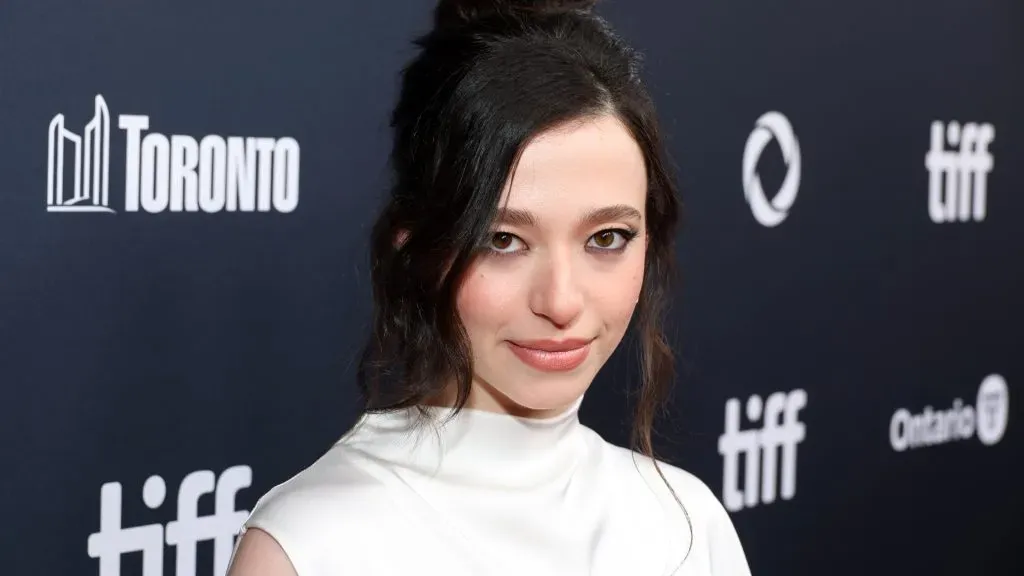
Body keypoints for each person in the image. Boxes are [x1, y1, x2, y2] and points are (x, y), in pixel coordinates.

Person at [228, 1, 751, 574]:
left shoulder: (685, 524)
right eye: (502, 241)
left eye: (606, 237)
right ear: (419, 252)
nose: (560, 302)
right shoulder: (310, 547)